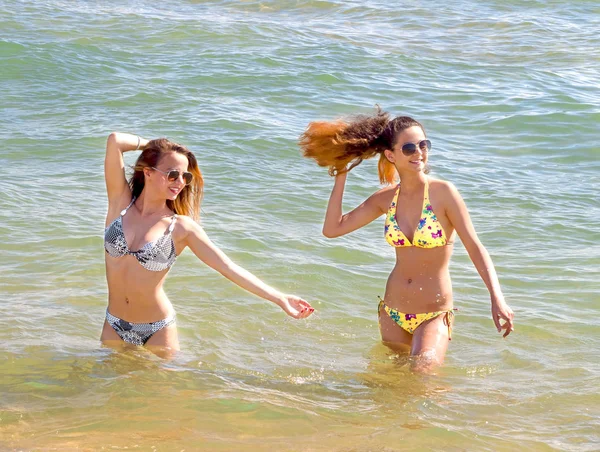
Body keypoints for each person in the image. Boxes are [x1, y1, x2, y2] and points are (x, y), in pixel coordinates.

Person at [300, 108, 514, 371]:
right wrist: (341, 174)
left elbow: (475, 247)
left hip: (433, 312)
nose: (419, 153)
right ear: (391, 155)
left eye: (424, 145)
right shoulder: (386, 198)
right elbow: (332, 229)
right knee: (389, 388)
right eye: (410, 148)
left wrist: (497, 297)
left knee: (423, 375)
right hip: (392, 312)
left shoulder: (443, 193)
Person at [102, 132, 313, 356]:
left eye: (186, 177)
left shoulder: (181, 227)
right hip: (114, 323)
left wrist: (279, 298)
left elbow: (228, 267)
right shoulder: (120, 204)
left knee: (161, 390)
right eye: (173, 175)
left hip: (156, 329)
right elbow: (115, 141)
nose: (181, 182)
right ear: (148, 173)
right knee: (110, 389)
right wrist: (156, 147)